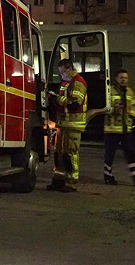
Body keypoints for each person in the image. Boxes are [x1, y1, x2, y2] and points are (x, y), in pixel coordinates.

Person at [102, 69, 135, 186]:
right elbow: (103, 107)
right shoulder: (109, 91)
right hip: (111, 129)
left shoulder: (129, 92)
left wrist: (130, 113)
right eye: (121, 77)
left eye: (125, 78)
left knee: (131, 153)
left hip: (125, 129)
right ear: (116, 79)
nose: (123, 80)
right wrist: (114, 110)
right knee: (110, 154)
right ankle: (108, 177)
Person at [47, 59, 87, 192]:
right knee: (59, 154)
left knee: (70, 154)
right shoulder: (66, 82)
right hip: (63, 124)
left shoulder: (77, 82)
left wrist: (56, 99)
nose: (61, 75)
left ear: (69, 69)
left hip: (73, 125)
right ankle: (58, 181)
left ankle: (71, 183)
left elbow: (75, 104)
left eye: (62, 71)